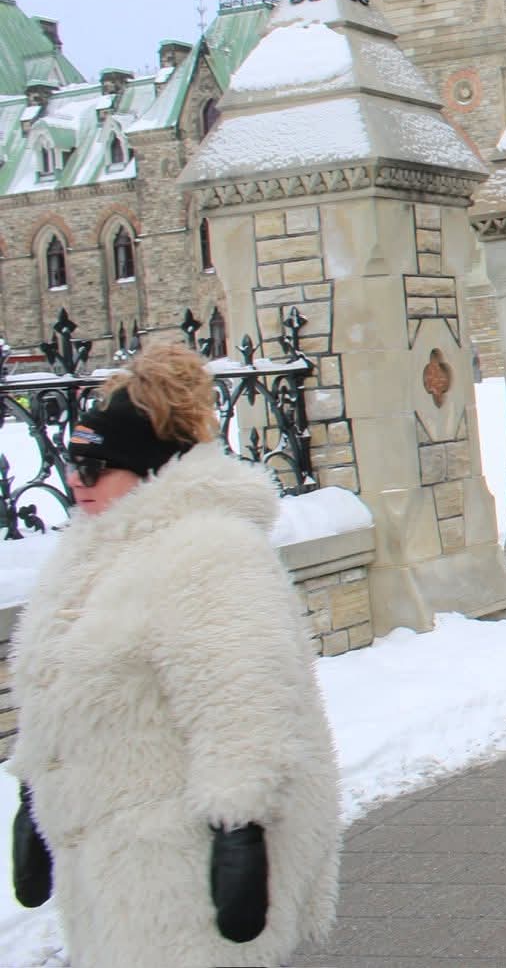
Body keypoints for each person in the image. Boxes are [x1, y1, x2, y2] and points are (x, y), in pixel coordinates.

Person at [9, 339, 341, 967]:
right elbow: (54, 683)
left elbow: (243, 705)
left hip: (179, 863)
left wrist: (241, 833)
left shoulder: (208, 553)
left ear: (149, 471)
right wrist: (34, 794)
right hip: (104, 859)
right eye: (72, 464)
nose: (76, 482)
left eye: (96, 467)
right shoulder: (90, 554)